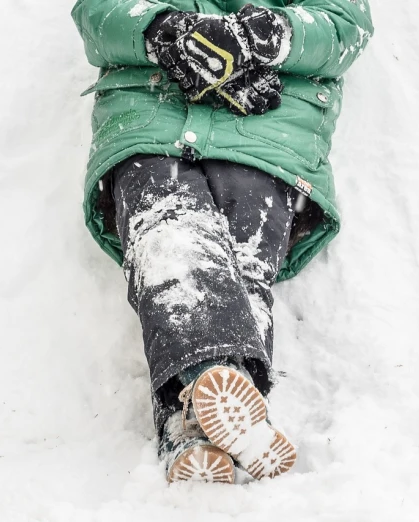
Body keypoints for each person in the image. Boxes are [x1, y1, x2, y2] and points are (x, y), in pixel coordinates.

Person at [71, 0, 373, 483]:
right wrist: (164, 32)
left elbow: (343, 27)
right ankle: (226, 403)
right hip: (153, 127)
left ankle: (186, 424)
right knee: (170, 235)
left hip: (266, 137)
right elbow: (98, 14)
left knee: (238, 261)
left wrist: (265, 36)